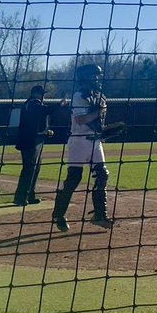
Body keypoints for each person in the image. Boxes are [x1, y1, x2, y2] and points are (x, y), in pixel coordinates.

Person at [52, 63, 116, 231]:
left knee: (102, 175)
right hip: (79, 141)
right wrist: (99, 111)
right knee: (74, 178)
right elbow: (80, 120)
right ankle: (58, 214)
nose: (97, 79)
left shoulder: (99, 96)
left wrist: (104, 132)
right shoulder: (79, 96)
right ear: (85, 77)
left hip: (95, 141)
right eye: (94, 76)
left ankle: (100, 215)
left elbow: (97, 122)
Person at [13, 85, 55, 206]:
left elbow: (38, 120)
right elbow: (45, 111)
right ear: (36, 94)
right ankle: (21, 197)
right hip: (30, 141)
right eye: (41, 94)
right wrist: (60, 105)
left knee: (34, 168)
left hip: (33, 140)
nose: (43, 96)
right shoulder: (33, 103)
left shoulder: (31, 104)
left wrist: (45, 132)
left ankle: (30, 195)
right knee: (30, 169)